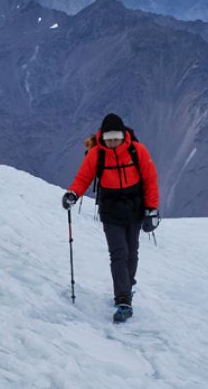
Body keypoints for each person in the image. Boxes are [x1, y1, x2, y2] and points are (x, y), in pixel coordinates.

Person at [61, 113, 160, 322]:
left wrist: (152, 210)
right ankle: (123, 300)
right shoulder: (97, 154)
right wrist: (72, 194)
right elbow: (83, 177)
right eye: (109, 139)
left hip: (134, 209)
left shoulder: (137, 151)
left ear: (123, 136)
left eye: (116, 138)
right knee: (119, 253)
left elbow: (150, 179)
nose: (113, 143)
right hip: (110, 211)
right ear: (103, 138)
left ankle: (128, 285)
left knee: (132, 252)